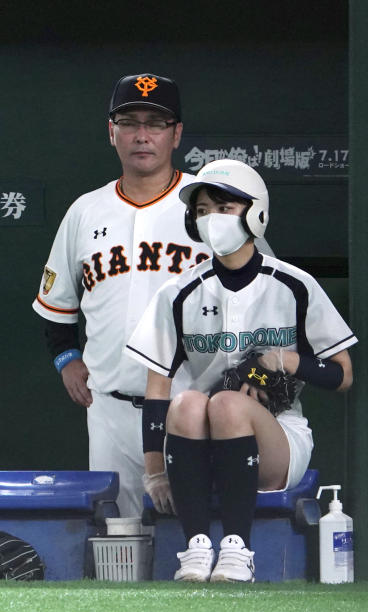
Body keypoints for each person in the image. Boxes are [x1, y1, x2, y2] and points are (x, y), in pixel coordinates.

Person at [125, 159, 355, 582]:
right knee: (189, 401)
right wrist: (154, 470)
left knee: (227, 405)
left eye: (225, 208)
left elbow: (343, 375)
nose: (213, 218)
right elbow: (157, 388)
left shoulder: (294, 284)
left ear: (256, 213)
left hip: (279, 438)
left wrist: (288, 360)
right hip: (200, 439)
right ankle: (195, 548)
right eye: (203, 209)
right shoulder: (179, 293)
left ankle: (237, 548)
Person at [32, 73, 210, 517]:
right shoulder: (85, 211)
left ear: (177, 134)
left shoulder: (211, 205)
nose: (142, 135)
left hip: (192, 404)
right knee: (119, 544)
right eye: (129, 122)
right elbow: (56, 304)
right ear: (112, 132)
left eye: (156, 122)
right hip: (110, 406)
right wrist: (65, 358)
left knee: (194, 540)